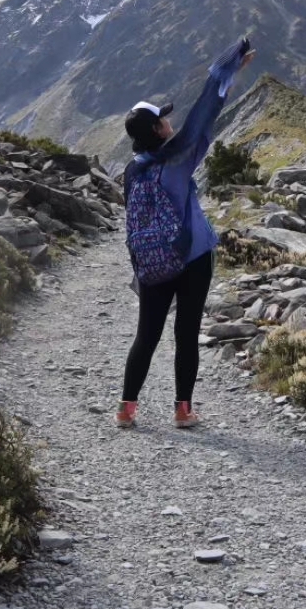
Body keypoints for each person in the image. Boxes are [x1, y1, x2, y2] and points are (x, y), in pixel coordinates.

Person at [116, 37, 256, 429]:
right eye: (164, 119)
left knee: (146, 335)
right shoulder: (176, 161)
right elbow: (202, 119)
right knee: (186, 332)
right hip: (192, 257)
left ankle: (126, 409)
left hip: (151, 263)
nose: (170, 121)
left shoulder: (132, 171)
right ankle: (182, 410)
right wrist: (226, 73)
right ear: (160, 130)